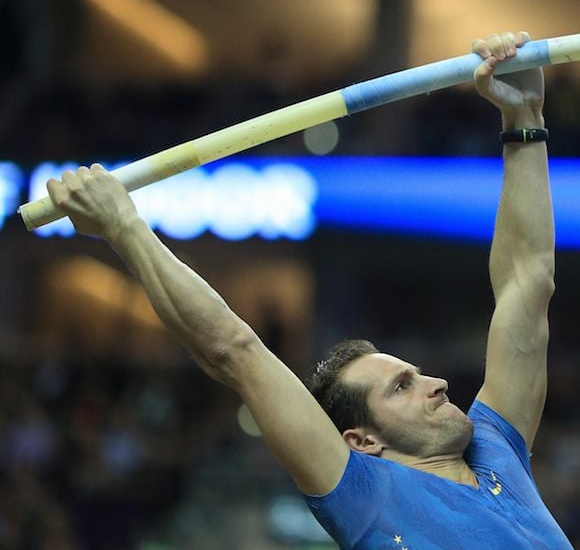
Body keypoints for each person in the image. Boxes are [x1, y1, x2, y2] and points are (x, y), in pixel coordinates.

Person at [46, 31, 572, 549]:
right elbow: (233, 349)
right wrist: (124, 227)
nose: (435, 382)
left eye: (412, 378)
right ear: (363, 442)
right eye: (401, 386)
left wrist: (523, 119)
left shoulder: (495, 447)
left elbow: (528, 279)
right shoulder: (361, 491)